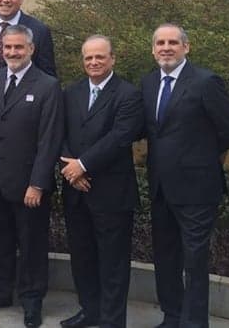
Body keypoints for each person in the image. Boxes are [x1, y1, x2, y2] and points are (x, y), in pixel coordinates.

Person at [141, 23, 229, 328]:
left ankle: (194, 322)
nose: (166, 47)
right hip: (161, 187)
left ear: (186, 47)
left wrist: (201, 157)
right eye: (160, 42)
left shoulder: (205, 81)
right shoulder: (148, 83)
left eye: (173, 42)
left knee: (194, 261)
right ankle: (172, 317)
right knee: (165, 257)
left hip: (198, 189)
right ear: (153, 49)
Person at [0, 24, 63, 328]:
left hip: (29, 185)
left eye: (18, 48)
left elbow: (49, 140)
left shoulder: (48, 85)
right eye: (7, 48)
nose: (12, 53)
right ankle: (0, 293)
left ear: (31, 49)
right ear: (1, 49)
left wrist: (38, 183)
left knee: (32, 246)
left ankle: (32, 300)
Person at [59, 35, 143, 328]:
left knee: (113, 263)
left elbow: (119, 138)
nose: (94, 62)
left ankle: (111, 320)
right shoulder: (71, 92)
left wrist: (82, 166)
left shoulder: (128, 94)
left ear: (112, 59)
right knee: (82, 258)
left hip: (110, 193)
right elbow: (62, 133)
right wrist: (72, 170)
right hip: (76, 191)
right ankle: (89, 311)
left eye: (100, 57)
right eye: (88, 58)